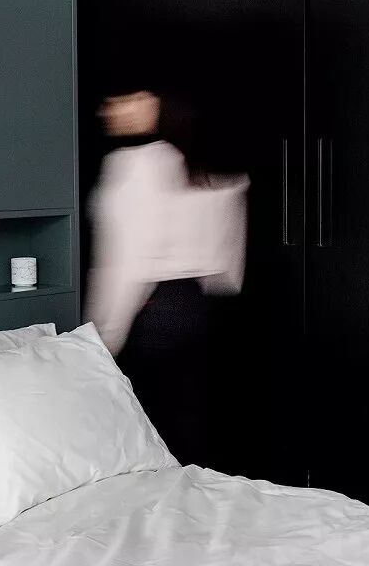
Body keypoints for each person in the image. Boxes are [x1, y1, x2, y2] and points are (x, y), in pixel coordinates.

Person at [85, 88, 249, 466]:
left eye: (128, 99)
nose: (110, 109)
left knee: (148, 421)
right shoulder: (191, 161)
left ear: (157, 106)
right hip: (195, 304)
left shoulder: (133, 164)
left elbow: (126, 259)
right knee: (187, 413)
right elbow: (227, 237)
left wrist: (104, 335)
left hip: (153, 306)